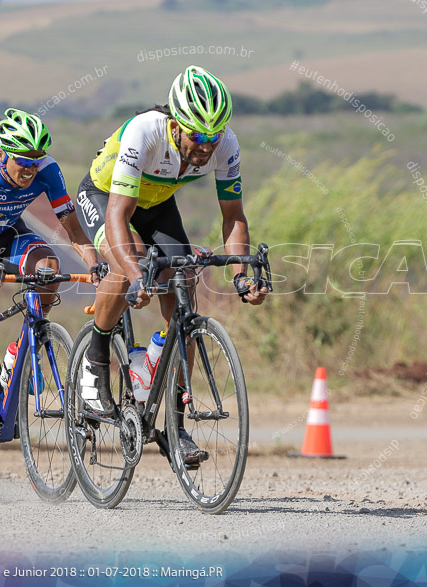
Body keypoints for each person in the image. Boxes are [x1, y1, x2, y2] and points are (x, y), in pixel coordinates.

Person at [74, 65, 267, 468]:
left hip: (156, 203)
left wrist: (241, 276)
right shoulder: (144, 133)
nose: (206, 146)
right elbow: (116, 218)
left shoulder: (225, 143)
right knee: (128, 263)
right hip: (105, 196)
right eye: (197, 135)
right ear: (176, 125)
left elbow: (233, 215)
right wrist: (132, 274)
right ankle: (94, 363)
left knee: (182, 297)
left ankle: (176, 426)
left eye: (213, 137)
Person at [0, 108, 98, 478]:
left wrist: (95, 262)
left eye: (35, 161)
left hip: (9, 235)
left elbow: (72, 229)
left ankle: (19, 353)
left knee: (50, 270)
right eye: (22, 161)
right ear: (1, 153)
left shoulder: (47, 171)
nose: (30, 169)